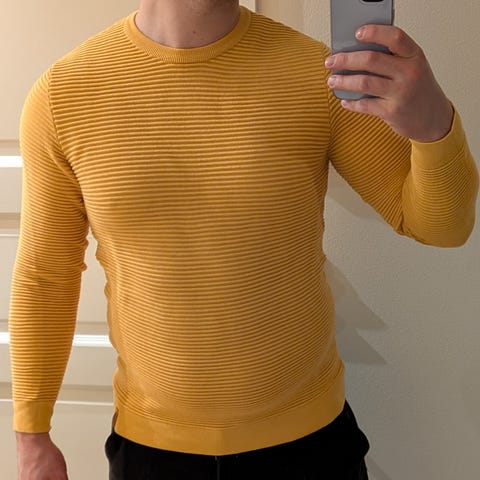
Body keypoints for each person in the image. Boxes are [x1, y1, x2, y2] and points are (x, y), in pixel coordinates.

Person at [10, 1, 478, 479]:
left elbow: (441, 226)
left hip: (311, 449)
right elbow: (45, 277)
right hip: (151, 451)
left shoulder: (316, 74)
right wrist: (31, 434)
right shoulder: (63, 95)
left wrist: (434, 127)